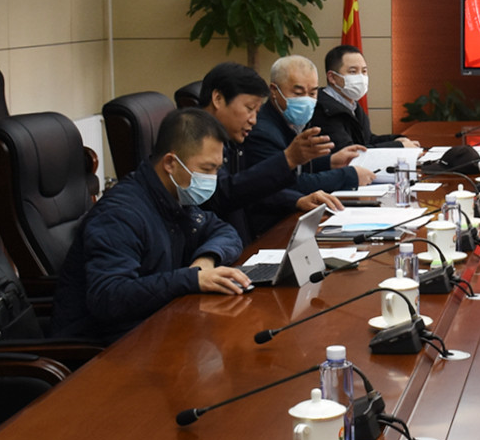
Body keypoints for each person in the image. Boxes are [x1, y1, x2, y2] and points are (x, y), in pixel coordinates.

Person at [52, 108, 248, 342]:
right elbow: (109, 297)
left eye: (217, 169)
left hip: (158, 325)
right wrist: (191, 279)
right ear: (170, 163)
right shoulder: (119, 214)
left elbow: (225, 231)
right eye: (206, 169)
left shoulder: (173, 196)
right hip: (105, 347)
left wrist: (206, 260)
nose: (213, 178)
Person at [199, 61, 343, 244]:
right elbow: (222, 194)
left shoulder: (229, 139)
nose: (253, 120)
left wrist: (296, 200)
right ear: (218, 99)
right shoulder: (194, 138)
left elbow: (250, 188)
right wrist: (288, 159)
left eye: (256, 111)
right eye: (249, 109)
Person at [241, 55, 373, 237]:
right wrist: (347, 175)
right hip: (270, 227)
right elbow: (286, 182)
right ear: (274, 91)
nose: (306, 101)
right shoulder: (262, 131)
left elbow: (298, 168)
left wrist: (330, 162)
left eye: (312, 93)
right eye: (298, 93)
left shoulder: (294, 121)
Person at [312, 44, 421, 151]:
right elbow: (350, 153)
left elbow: (367, 141)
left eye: (364, 71)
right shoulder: (323, 110)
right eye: (353, 72)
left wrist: (398, 139)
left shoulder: (353, 105)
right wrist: (399, 146)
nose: (361, 77)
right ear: (332, 77)